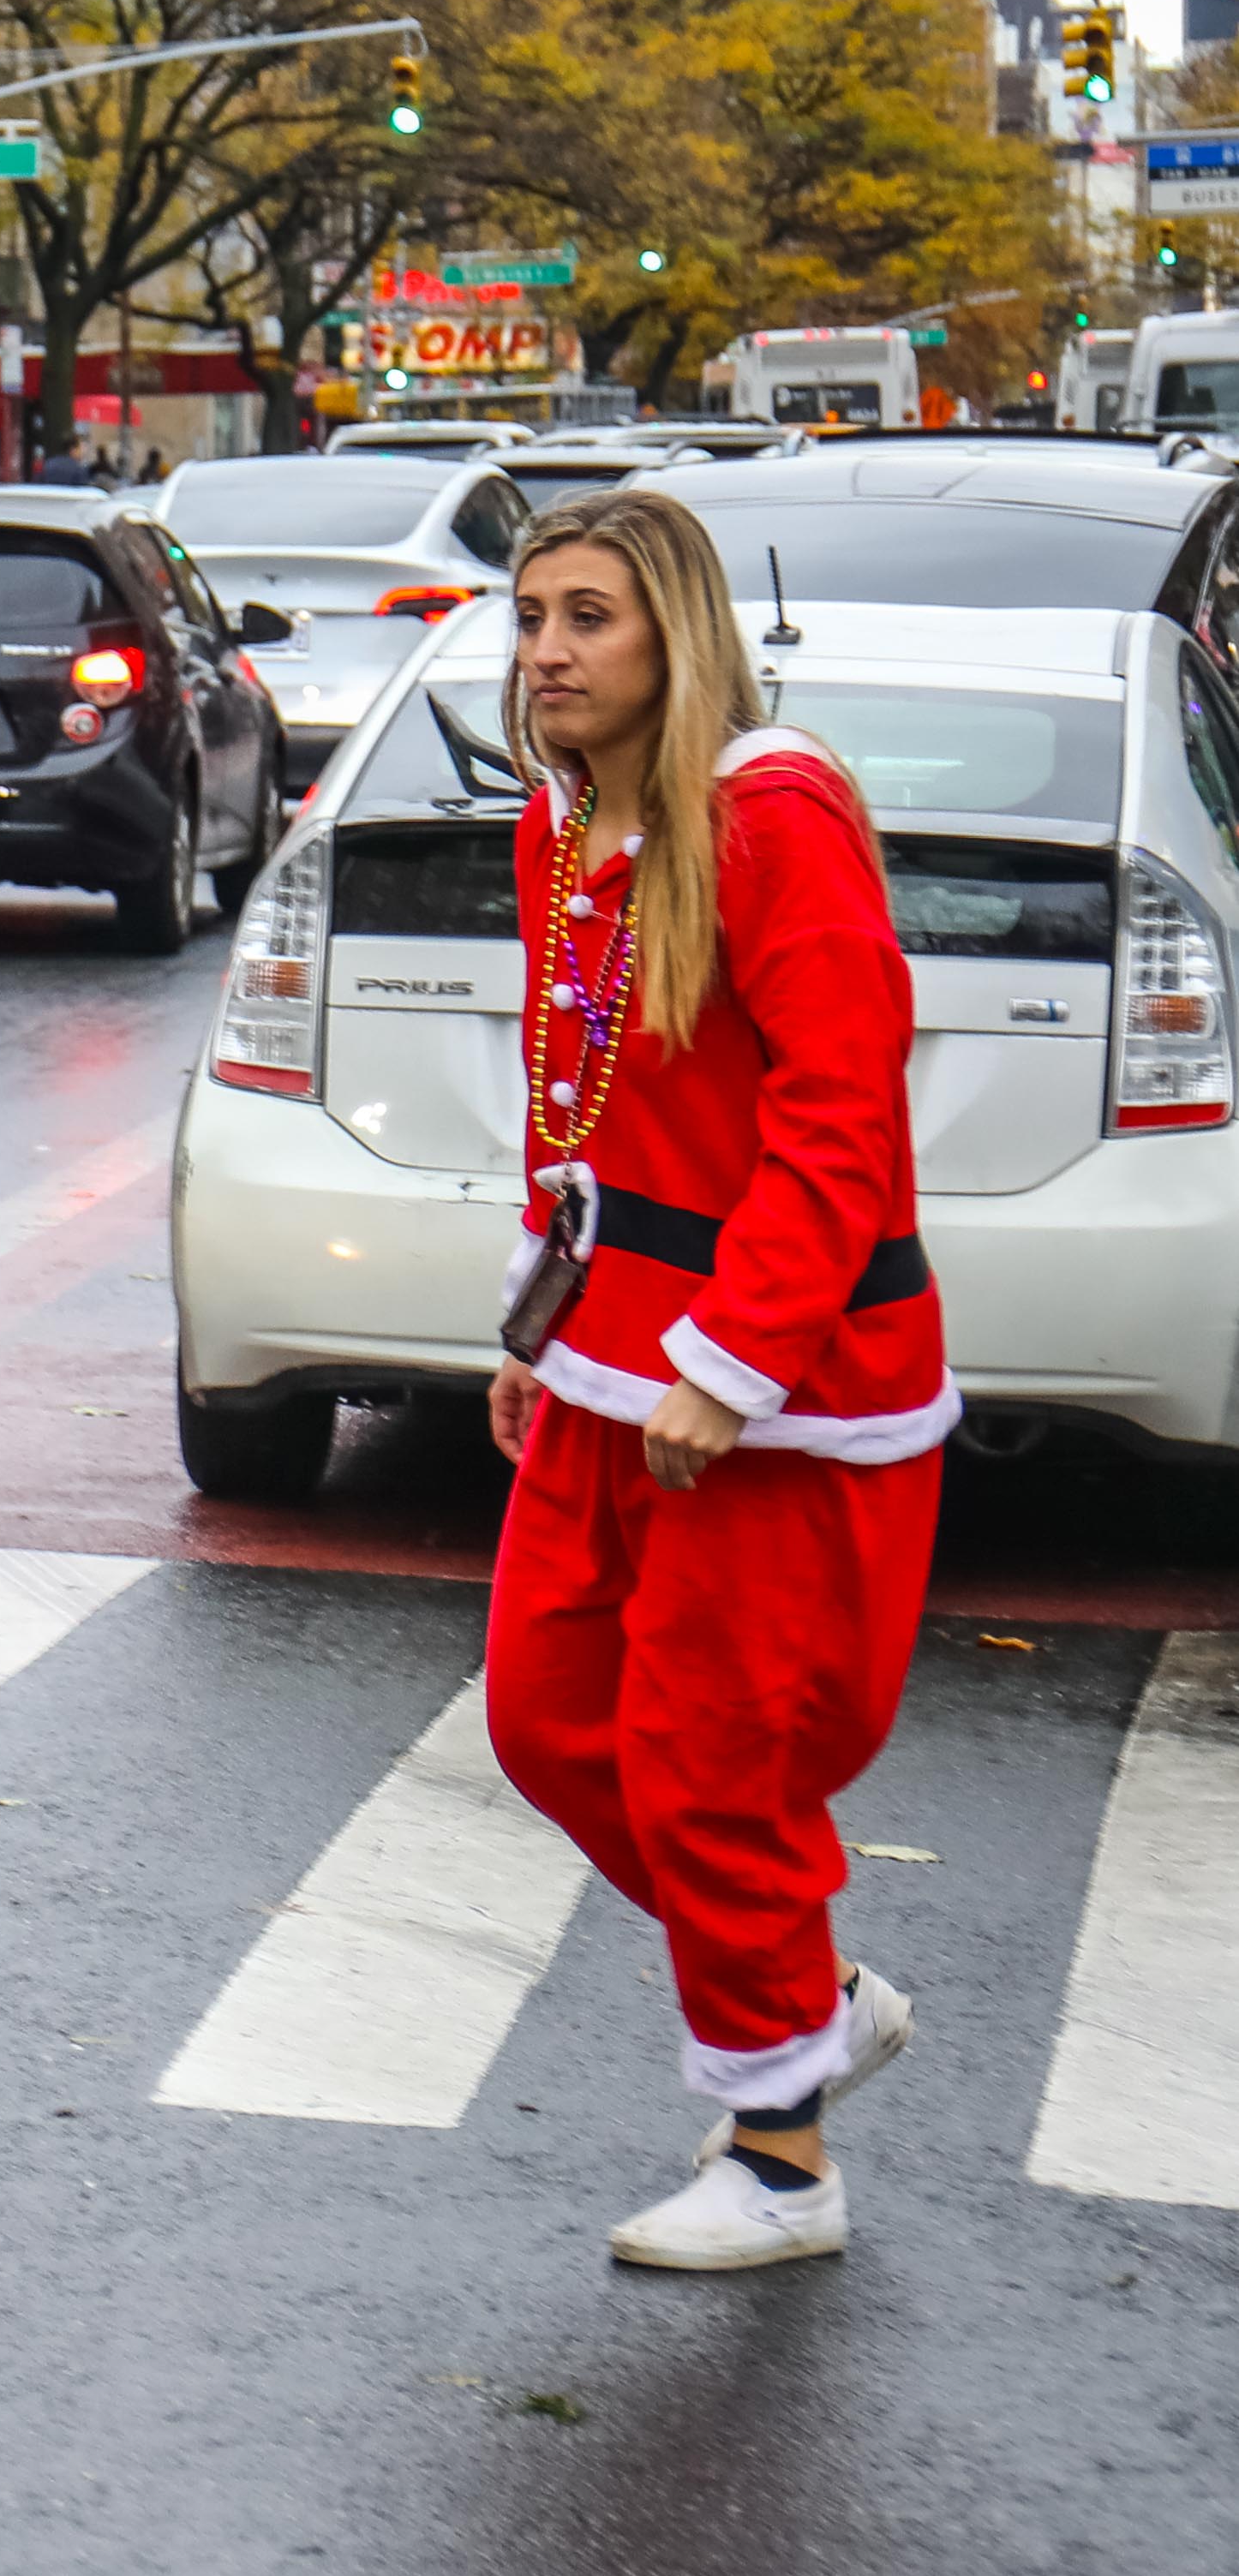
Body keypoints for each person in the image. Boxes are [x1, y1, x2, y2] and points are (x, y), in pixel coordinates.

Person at [479, 487, 943, 2271]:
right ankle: (810, 1988)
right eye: (529, 618)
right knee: (543, 1719)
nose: (546, 654)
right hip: (605, 1356)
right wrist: (533, 1332)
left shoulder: (770, 822)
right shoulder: (565, 825)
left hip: (781, 1378)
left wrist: (731, 1365)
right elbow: (571, 1114)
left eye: (586, 617)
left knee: (709, 1758)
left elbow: (838, 1118)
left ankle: (780, 2157)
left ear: (674, 633)